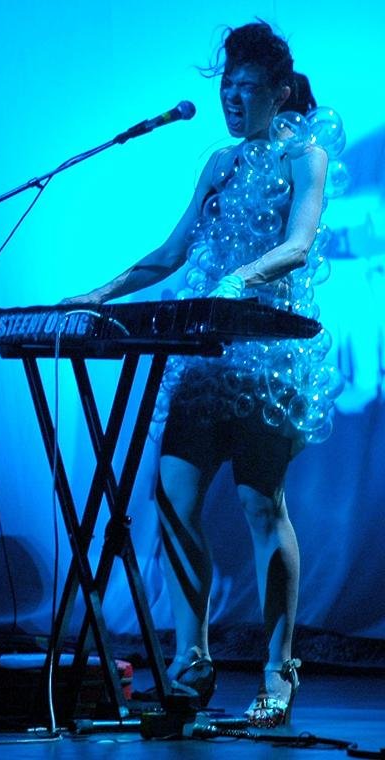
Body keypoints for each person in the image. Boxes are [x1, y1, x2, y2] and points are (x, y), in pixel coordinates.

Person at [63, 21, 344, 727]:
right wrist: (99, 293)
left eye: (248, 88)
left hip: (265, 356)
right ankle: (191, 662)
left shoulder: (305, 157)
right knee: (172, 498)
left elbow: (298, 244)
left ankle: (278, 668)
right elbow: (171, 252)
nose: (233, 99)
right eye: (228, 87)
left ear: (281, 92)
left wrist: (239, 280)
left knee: (260, 505)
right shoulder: (220, 162)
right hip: (206, 353)